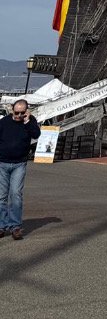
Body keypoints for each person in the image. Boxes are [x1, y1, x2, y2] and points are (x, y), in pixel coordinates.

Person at [0, 99, 41, 241]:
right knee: (1, 196)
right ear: (12, 109)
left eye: (22, 113)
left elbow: (36, 135)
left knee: (16, 194)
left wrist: (27, 122)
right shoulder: (4, 122)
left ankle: (15, 226)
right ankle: (1, 226)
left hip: (19, 163)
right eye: (16, 112)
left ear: (27, 111)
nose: (18, 115)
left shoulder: (30, 122)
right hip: (2, 163)